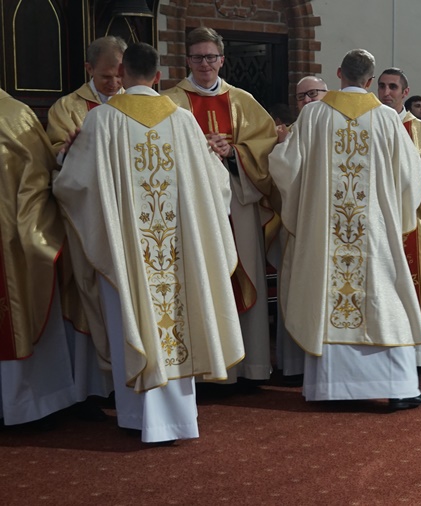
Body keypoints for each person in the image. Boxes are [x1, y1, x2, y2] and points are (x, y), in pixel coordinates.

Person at [53, 43, 244, 442]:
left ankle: (139, 417)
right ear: (158, 76)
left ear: (121, 73)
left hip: (126, 255)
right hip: (179, 253)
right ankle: (178, 419)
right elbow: (215, 185)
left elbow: (74, 186)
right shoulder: (183, 120)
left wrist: (63, 164)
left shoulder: (102, 120)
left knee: (132, 317)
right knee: (181, 315)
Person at [268, 49, 421, 408]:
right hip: (373, 234)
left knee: (328, 298)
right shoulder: (387, 119)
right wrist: (397, 216)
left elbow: (287, 170)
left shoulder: (313, 115)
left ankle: (328, 388)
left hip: (326, 236)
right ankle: (397, 386)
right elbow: (410, 179)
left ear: (339, 73)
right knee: (384, 301)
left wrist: (279, 154)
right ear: (370, 81)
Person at [162, 27, 278, 385]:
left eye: (211, 57)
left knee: (242, 271)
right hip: (193, 207)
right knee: (202, 277)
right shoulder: (169, 103)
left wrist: (234, 153)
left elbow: (267, 146)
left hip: (238, 203)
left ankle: (249, 367)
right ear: (187, 60)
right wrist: (198, 148)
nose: (204, 64)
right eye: (197, 57)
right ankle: (202, 370)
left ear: (222, 60)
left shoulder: (242, 101)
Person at [45, 36, 125, 414]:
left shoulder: (137, 104)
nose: (114, 84)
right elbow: (52, 161)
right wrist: (66, 150)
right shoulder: (68, 107)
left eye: (119, 75)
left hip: (128, 222)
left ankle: (128, 378)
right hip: (87, 220)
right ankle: (95, 385)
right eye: (107, 76)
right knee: (88, 291)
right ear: (89, 70)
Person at [0, 88, 81, 427]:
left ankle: (25, 405)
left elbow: (36, 181)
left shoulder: (14, 117)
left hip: (8, 240)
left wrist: (33, 236)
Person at [377, 67, 421, 367]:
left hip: (415, 217)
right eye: (381, 86)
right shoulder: (370, 123)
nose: (386, 92)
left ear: (405, 92)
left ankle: (419, 355)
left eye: (393, 87)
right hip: (379, 217)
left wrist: (420, 181)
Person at [273, 75, 329, 385]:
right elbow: (282, 176)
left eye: (312, 94)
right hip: (302, 229)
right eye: (301, 97)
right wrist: (281, 149)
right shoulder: (293, 132)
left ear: (327, 93)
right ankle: (296, 363)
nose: (306, 101)